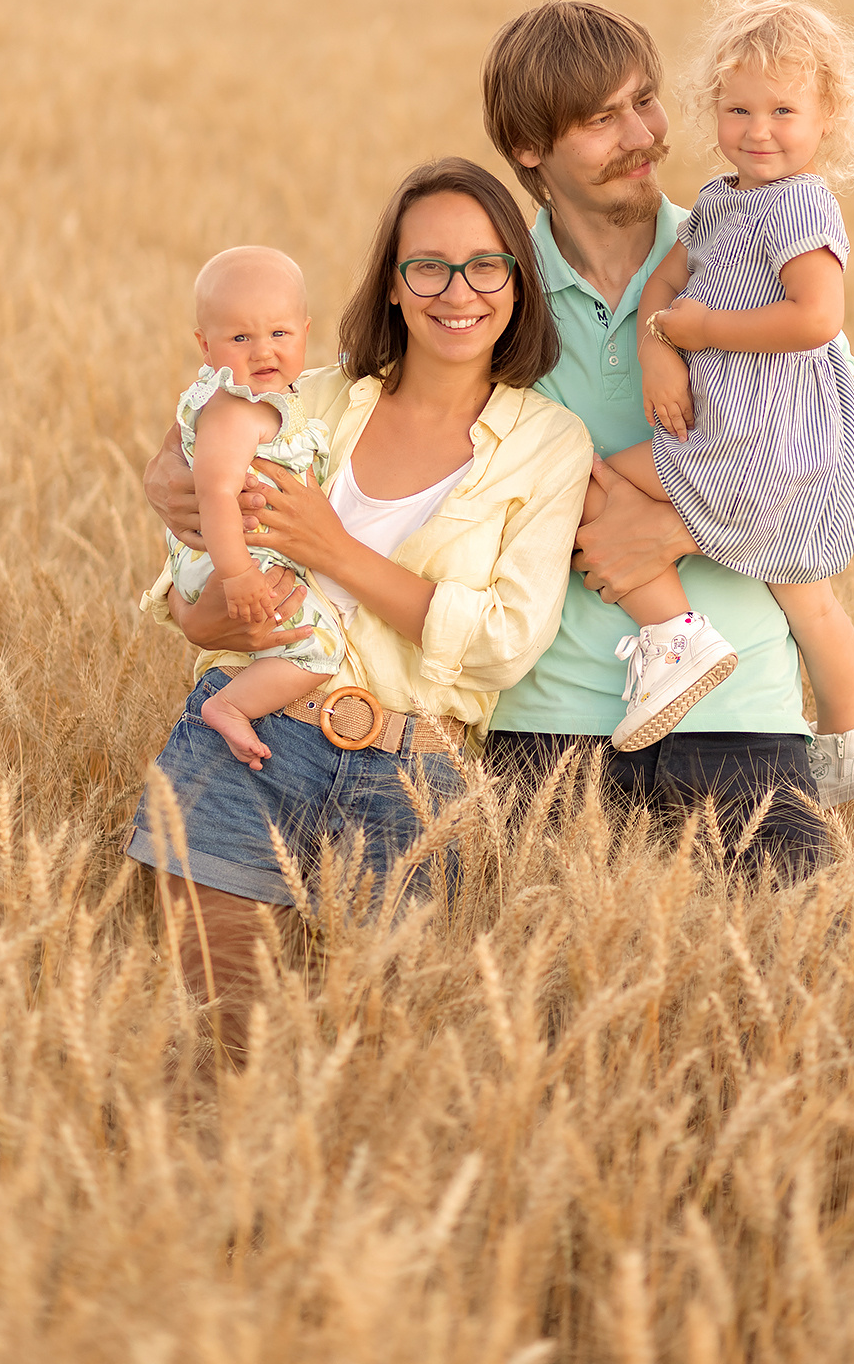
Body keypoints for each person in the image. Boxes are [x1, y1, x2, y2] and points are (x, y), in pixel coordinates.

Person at [132, 158, 593, 1063]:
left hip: (413, 784)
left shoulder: (547, 444)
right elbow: (200, 568)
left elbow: (504, 643)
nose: (457, 291)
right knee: (222, 1054)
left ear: (518, 282)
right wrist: (172, 486)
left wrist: (332, 550)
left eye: (486, 265)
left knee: (388, 1075)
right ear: (392, 281)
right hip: (245, 746)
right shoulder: (307, 396)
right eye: (428, 266)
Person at [479, 0, 854, 861]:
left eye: (645, 100)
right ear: (529, 149)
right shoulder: (484, 294)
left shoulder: (754, 253)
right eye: (602, 120)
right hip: (545, 723)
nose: (643, 135)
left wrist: (678, 523)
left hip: (744, 722)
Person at [168, 245, 348, 771]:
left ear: (306, 331)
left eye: (279, 334)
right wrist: (239, 573)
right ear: (205, 346)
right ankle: (228, 705)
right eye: (240, 337)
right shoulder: (234, 410)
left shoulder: (275, 400)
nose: (262, 351)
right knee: (320, 646)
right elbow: (217, 495)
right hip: (229, 555)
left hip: (241, 552)